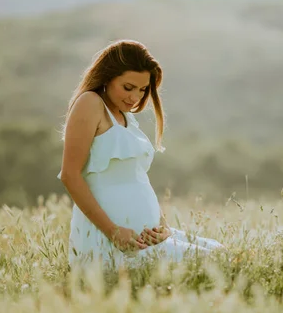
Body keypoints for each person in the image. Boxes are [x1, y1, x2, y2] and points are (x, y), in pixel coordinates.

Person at [58, 40, 224, 269]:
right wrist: (113, 232)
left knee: (220, 253)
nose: (135, 97)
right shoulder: (90, 103)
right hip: (110, 242)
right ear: (107, 77)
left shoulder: (126, 116)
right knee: (213, 261)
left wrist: (162, 226)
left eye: (142, 89)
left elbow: (136, 179)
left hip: (146, 237)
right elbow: (70, 175)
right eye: (128, 87)